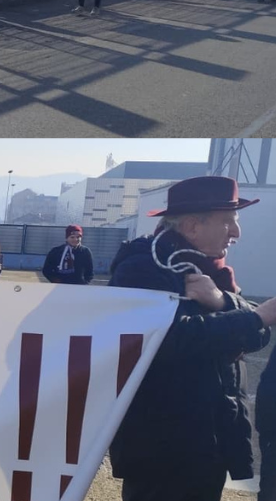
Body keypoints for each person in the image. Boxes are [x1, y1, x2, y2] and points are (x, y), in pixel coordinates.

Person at [108, 176, 276, 501]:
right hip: (163, 446)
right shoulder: (143, 267)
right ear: (192, 226)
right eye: (228, 220)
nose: (237, 232)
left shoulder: (212, 270)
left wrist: (224, 303)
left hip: (209, 439)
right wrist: (253, 315)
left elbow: (257, 338)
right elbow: (164, 341)